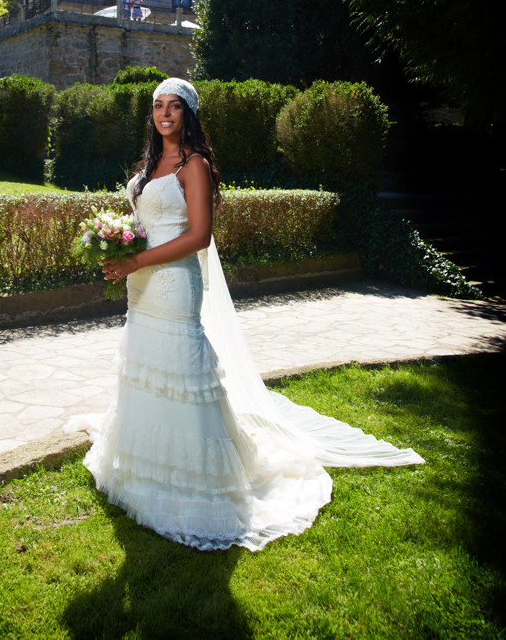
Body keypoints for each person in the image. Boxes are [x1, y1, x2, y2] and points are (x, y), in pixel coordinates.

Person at [67, 78, 424, 551]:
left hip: (173, 284)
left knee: (181, 368)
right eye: (158, 106)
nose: (165, 114)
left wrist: (136, 259)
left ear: (189, 115)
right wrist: (119, 242)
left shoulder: (194, 166)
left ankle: (196, 479)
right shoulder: (151, 164)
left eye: (175, 107)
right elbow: (146, 221)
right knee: (144, 364)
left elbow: (197, 237)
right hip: (142, 285)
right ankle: (138, 466)